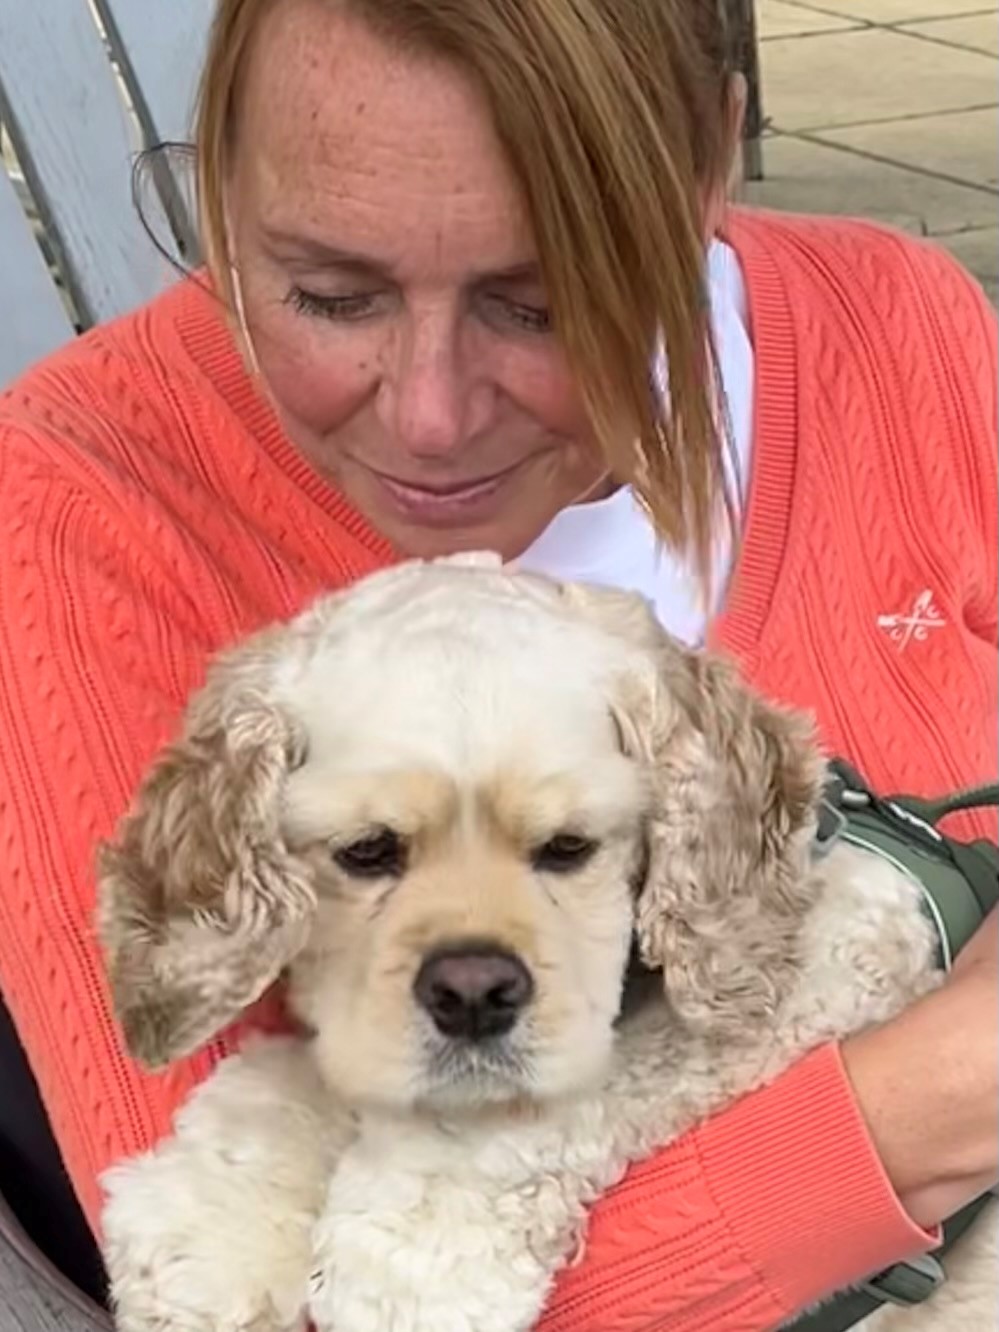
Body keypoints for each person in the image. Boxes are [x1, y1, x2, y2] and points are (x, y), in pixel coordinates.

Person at [0, 0, 995, 1327]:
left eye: (541, 303)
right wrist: (927, 1106)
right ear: (222, 187)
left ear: (713, 163)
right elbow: (270, 1302)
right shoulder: (72, 507)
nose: (429, 415)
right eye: (327, 294)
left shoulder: (902, 326)